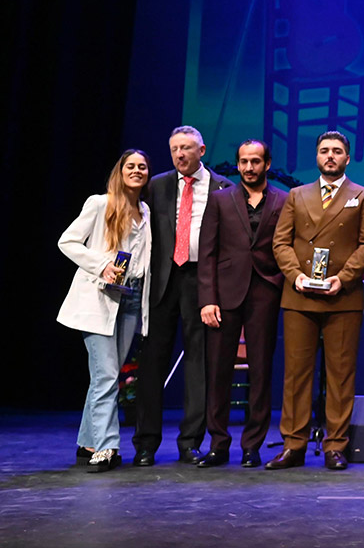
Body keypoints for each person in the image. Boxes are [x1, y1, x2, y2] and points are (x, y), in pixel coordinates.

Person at [267, 131, 364, 471]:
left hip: (342, 296)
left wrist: (343, 278)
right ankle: (294, 445)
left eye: (337, 151)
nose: (330, 155)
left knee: (340, 375)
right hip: (300, 295)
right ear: (316, 157)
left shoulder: (363, 196)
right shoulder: (296, 195)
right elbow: (281, 242)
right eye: (324, 150)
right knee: (296, 374)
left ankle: (335, 445)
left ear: (348, 158)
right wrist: (296, 276)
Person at [135, 126, 233, 466]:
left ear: (201, 151)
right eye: (175, 148)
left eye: (187, 148)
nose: (180, 154)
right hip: (162, 280)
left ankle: (190, 441)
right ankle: (146, 443)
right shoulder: (156, 185)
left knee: (198, 363)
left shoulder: (223, 188)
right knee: (152, 363)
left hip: (201, 281)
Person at [58, 149, 153, 472]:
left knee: (104, 376)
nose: (137, 171)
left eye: (142, 167)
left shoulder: (145, 211)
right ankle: (106, 447)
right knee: (107, 376)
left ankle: (88, 442)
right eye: (131, 166)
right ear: (120, 172)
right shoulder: (100, 204)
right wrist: (101, 265)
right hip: (98, 298)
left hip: (130, 298)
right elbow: (67, 242)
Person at [195, 139, 287, 468]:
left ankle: (252, 445)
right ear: (238, 164)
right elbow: (207, 252)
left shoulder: (284, 200)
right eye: (244, 161)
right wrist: (208, 299)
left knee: (261, 372)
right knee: (218, 371)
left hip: (265, 292)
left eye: (255, 161)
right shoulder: (220, 200)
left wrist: (279, 281)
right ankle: (218, 444)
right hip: (225, 294)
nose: (249, 167)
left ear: (267, 164)